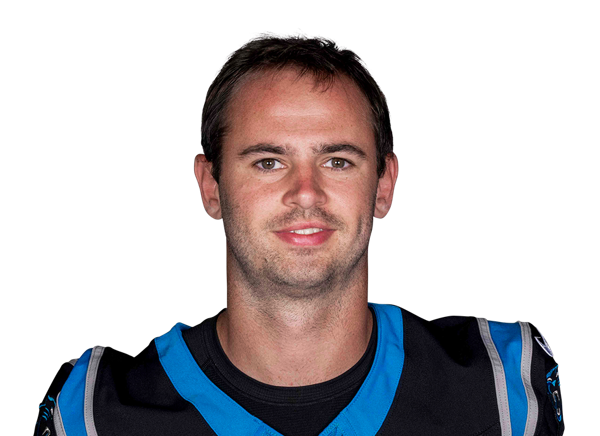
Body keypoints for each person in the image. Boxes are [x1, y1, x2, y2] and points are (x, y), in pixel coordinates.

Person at [35, 31, 564, 436]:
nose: (305, 193)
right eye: (268, 162)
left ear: (384, 185)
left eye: (337, 161)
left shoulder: (505, 390)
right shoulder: (92, 413)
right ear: (210, 186)